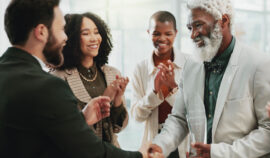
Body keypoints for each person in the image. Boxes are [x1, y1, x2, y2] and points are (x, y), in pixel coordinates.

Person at [0, 0, 146, 157]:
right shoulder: (49, 85)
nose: (65, 37)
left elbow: (31, 139)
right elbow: (88, 150)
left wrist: (81, 119)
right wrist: (141, 155)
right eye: (62, 29)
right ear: (42, 32)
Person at [148, 0, 270, 157]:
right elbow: (179, 118)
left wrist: (218, 153)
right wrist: (160, 145)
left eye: (199, 25)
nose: (193, 35)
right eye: (189, 28)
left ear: (224, 21)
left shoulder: (261, 65)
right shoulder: (191, 66)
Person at [51, 12, 128, 147]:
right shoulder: (58, 78)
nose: (94, 38)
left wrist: (117, 101)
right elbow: (61, 131)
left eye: (96, 32)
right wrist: (105, 99)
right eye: (86, 34)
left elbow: (118, 128)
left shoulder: (112, 74)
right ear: (72, 38)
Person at [131, 11, 189, 158]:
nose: (162, 39)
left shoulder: (190, 64)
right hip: (154, 141)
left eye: (168, 34)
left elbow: (195, 113)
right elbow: (137, 116)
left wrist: (173, 89)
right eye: (156, 33)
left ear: (176, 33)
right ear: (148, 32)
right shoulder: (140, 68)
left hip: (182, 141)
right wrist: (155, 93)